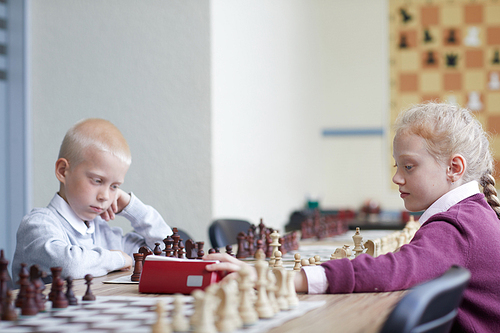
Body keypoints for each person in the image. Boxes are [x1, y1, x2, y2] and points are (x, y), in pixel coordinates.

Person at [204, 102, 500, 332]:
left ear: (454, 168)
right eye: (396, 166)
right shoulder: (472, 214)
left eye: (409, 167)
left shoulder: (457, 225)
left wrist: (281, 278)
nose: (397, 177)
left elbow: (394, 270)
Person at [12, 118, 172, 280]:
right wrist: (119, 258)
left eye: (114, 187)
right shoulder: (38, 225)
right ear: (62, 171)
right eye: (97, 181)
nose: (105, 196)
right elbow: (70, 266)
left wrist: (132, 207)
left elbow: (169, 254)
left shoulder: (104, 233)